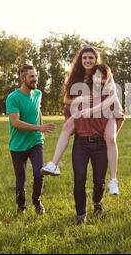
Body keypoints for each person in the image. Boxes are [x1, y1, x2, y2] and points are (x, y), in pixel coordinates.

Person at [40, 46, 124, 195]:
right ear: (80, 60)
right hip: (84, 113)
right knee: (67, 126)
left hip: (106, 111)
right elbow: (66, 98)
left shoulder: (104, 73)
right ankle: (54, 164)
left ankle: (113, 180)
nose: (87, 60)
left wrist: (93, 110)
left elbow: (112, 98)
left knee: (110, 138)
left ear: (96, 59)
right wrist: (78, 99)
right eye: (84, 57)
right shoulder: (76, 76)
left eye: (91, 57)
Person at [69, 64, 121, 225]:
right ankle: (81, 214)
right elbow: (69, 108)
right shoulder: (82, 92)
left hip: (100, 144)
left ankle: (97, 202)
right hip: (81, 143)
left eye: (104, 77)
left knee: (99, 181)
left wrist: (111, 136)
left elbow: (120, 116)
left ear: (108, 79)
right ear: (92, 77)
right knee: (79, 179)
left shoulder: (110, 96)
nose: (100, 79)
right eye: (97, 76)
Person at [5, 65, 56, 214]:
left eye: (36, 76)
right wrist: (39, 128)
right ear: (23, 78)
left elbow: (38, 109)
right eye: (32, 77)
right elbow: (15, 122)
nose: (35, 79)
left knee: (39, 172)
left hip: (35, 141)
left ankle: (36, 201)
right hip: (18, 145)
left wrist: (41, 129)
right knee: (21, 180)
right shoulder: (13, 98)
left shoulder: (38, 93)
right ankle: (21, 206)